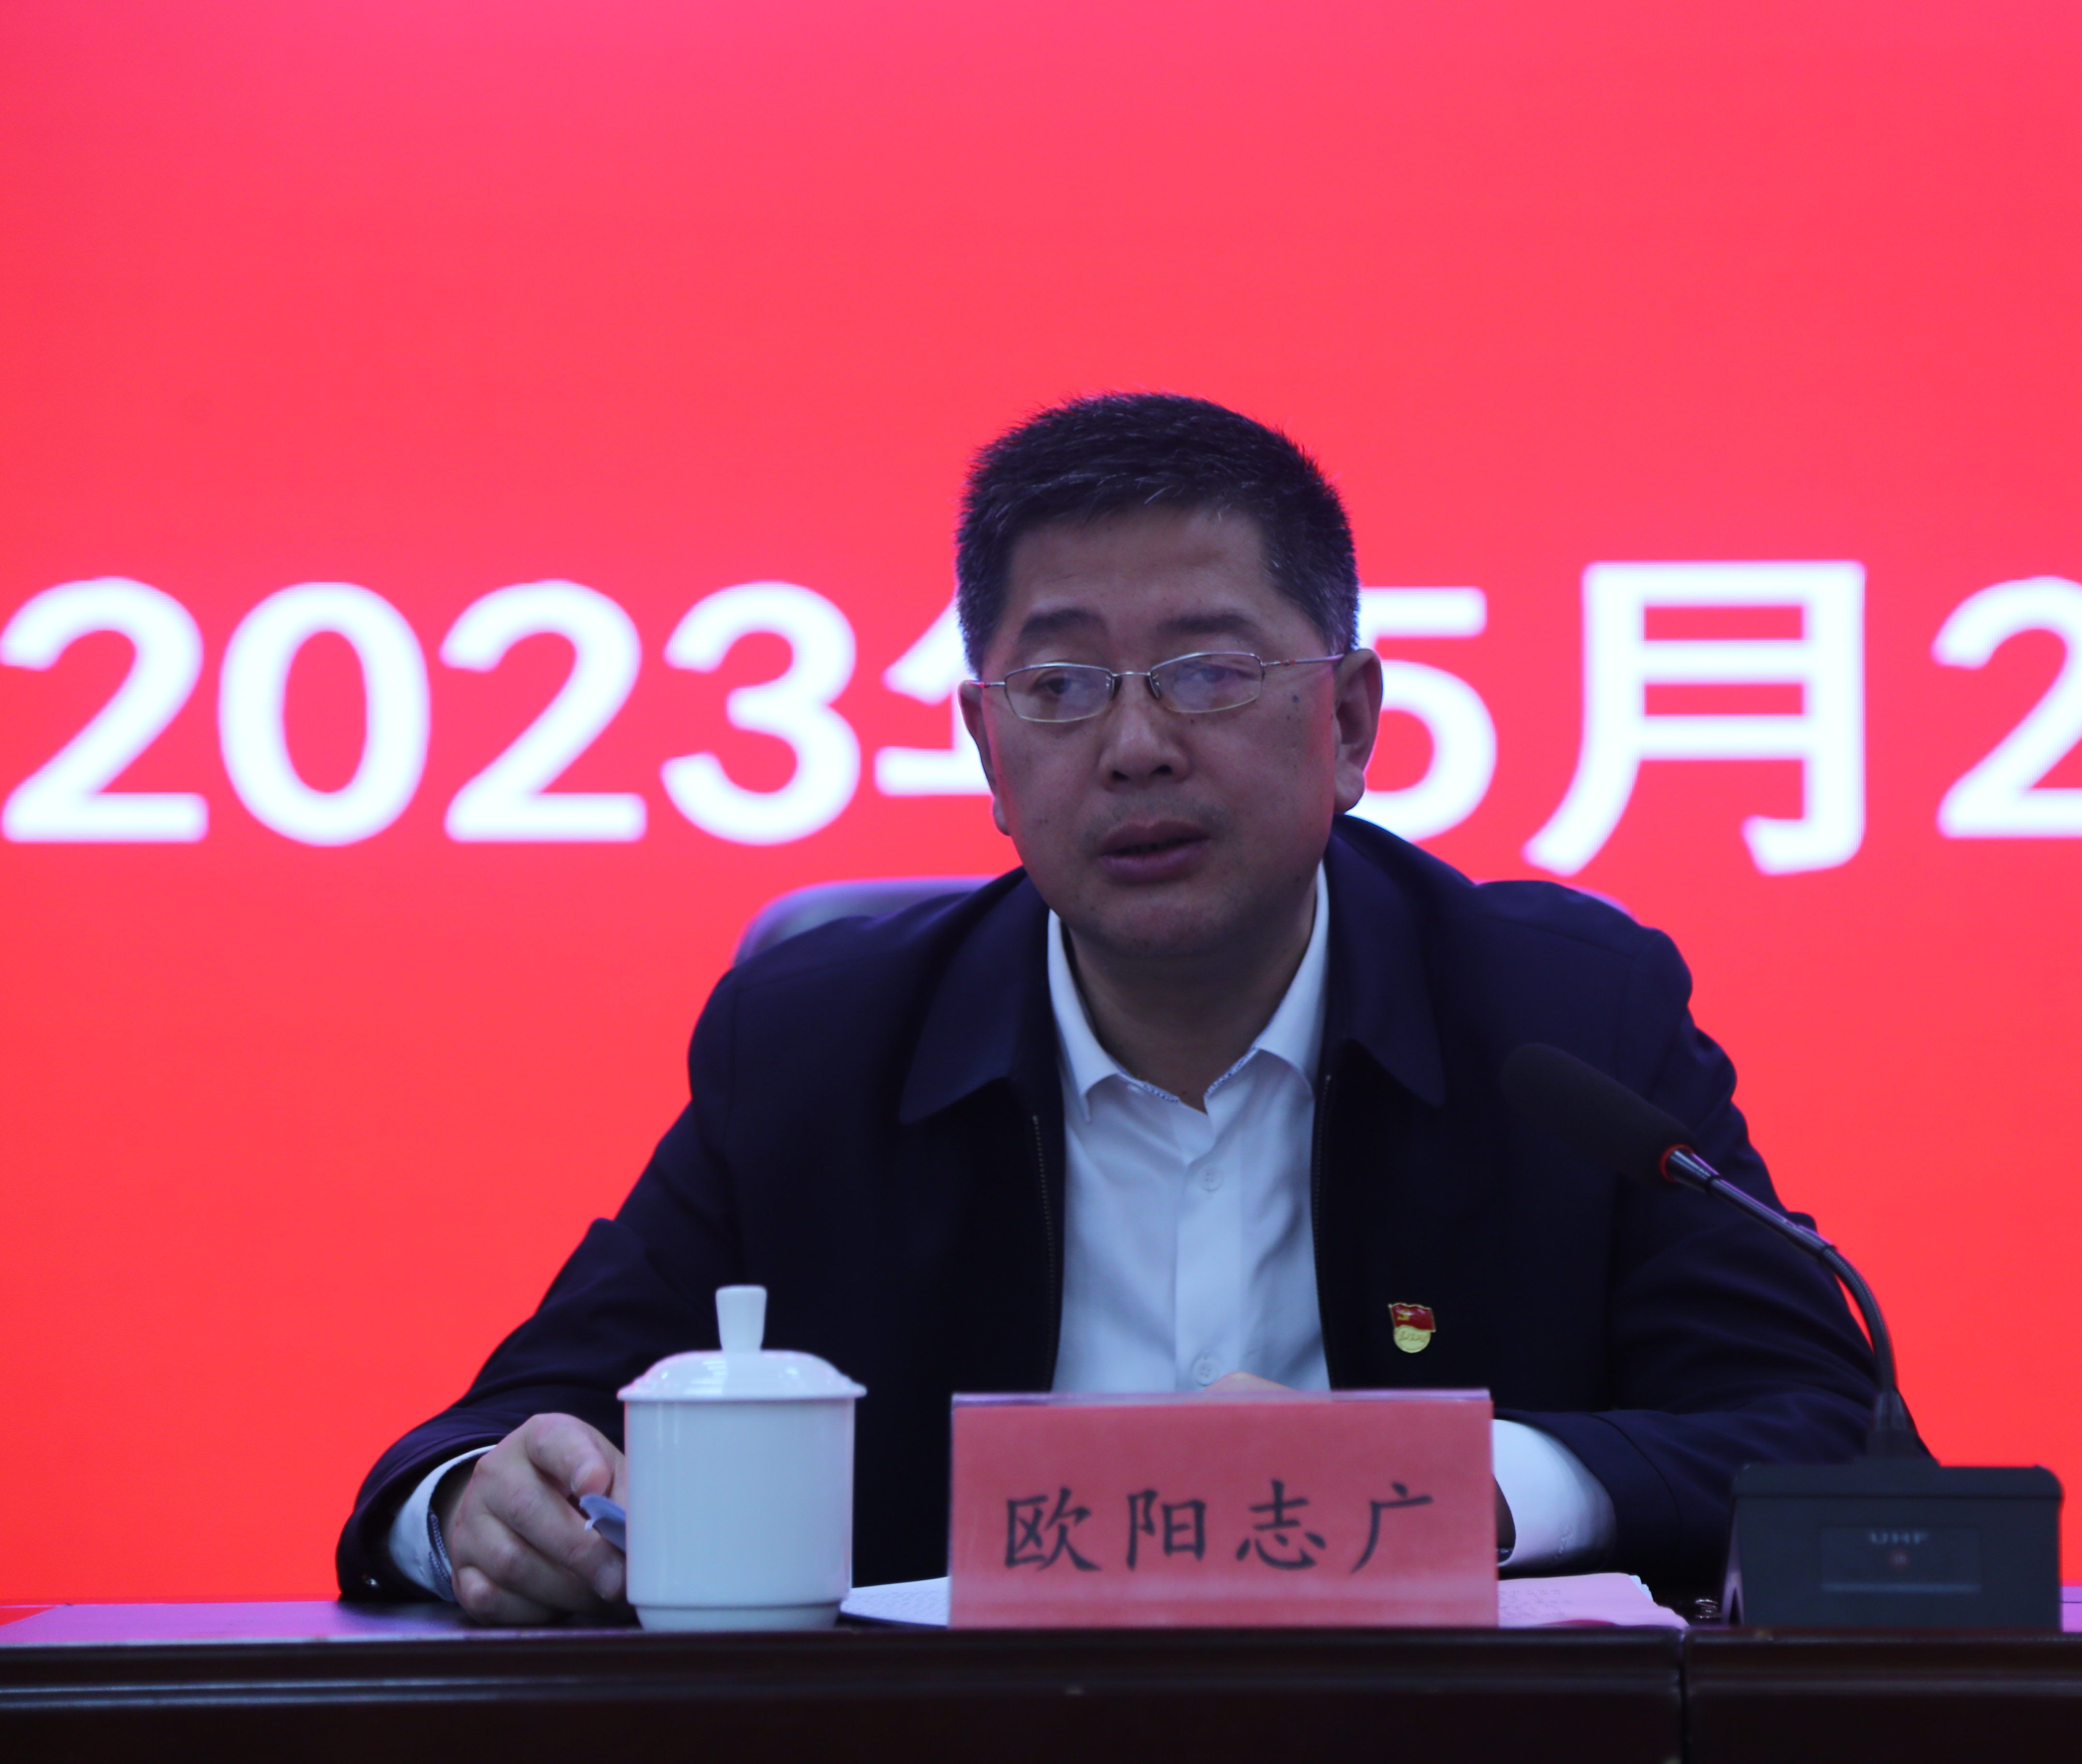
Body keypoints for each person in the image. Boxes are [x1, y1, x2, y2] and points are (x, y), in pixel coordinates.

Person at [335, 393, 1876, 1621]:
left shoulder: (1564, 1017)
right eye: (1062, 688)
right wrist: (471, 1506)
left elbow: (1829, 1439)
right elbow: (488, 1436)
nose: (1136, 747)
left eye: (1206, 673)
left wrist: (1455, 1487)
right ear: (988, 752)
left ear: (1350, 721)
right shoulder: (817, 1052)